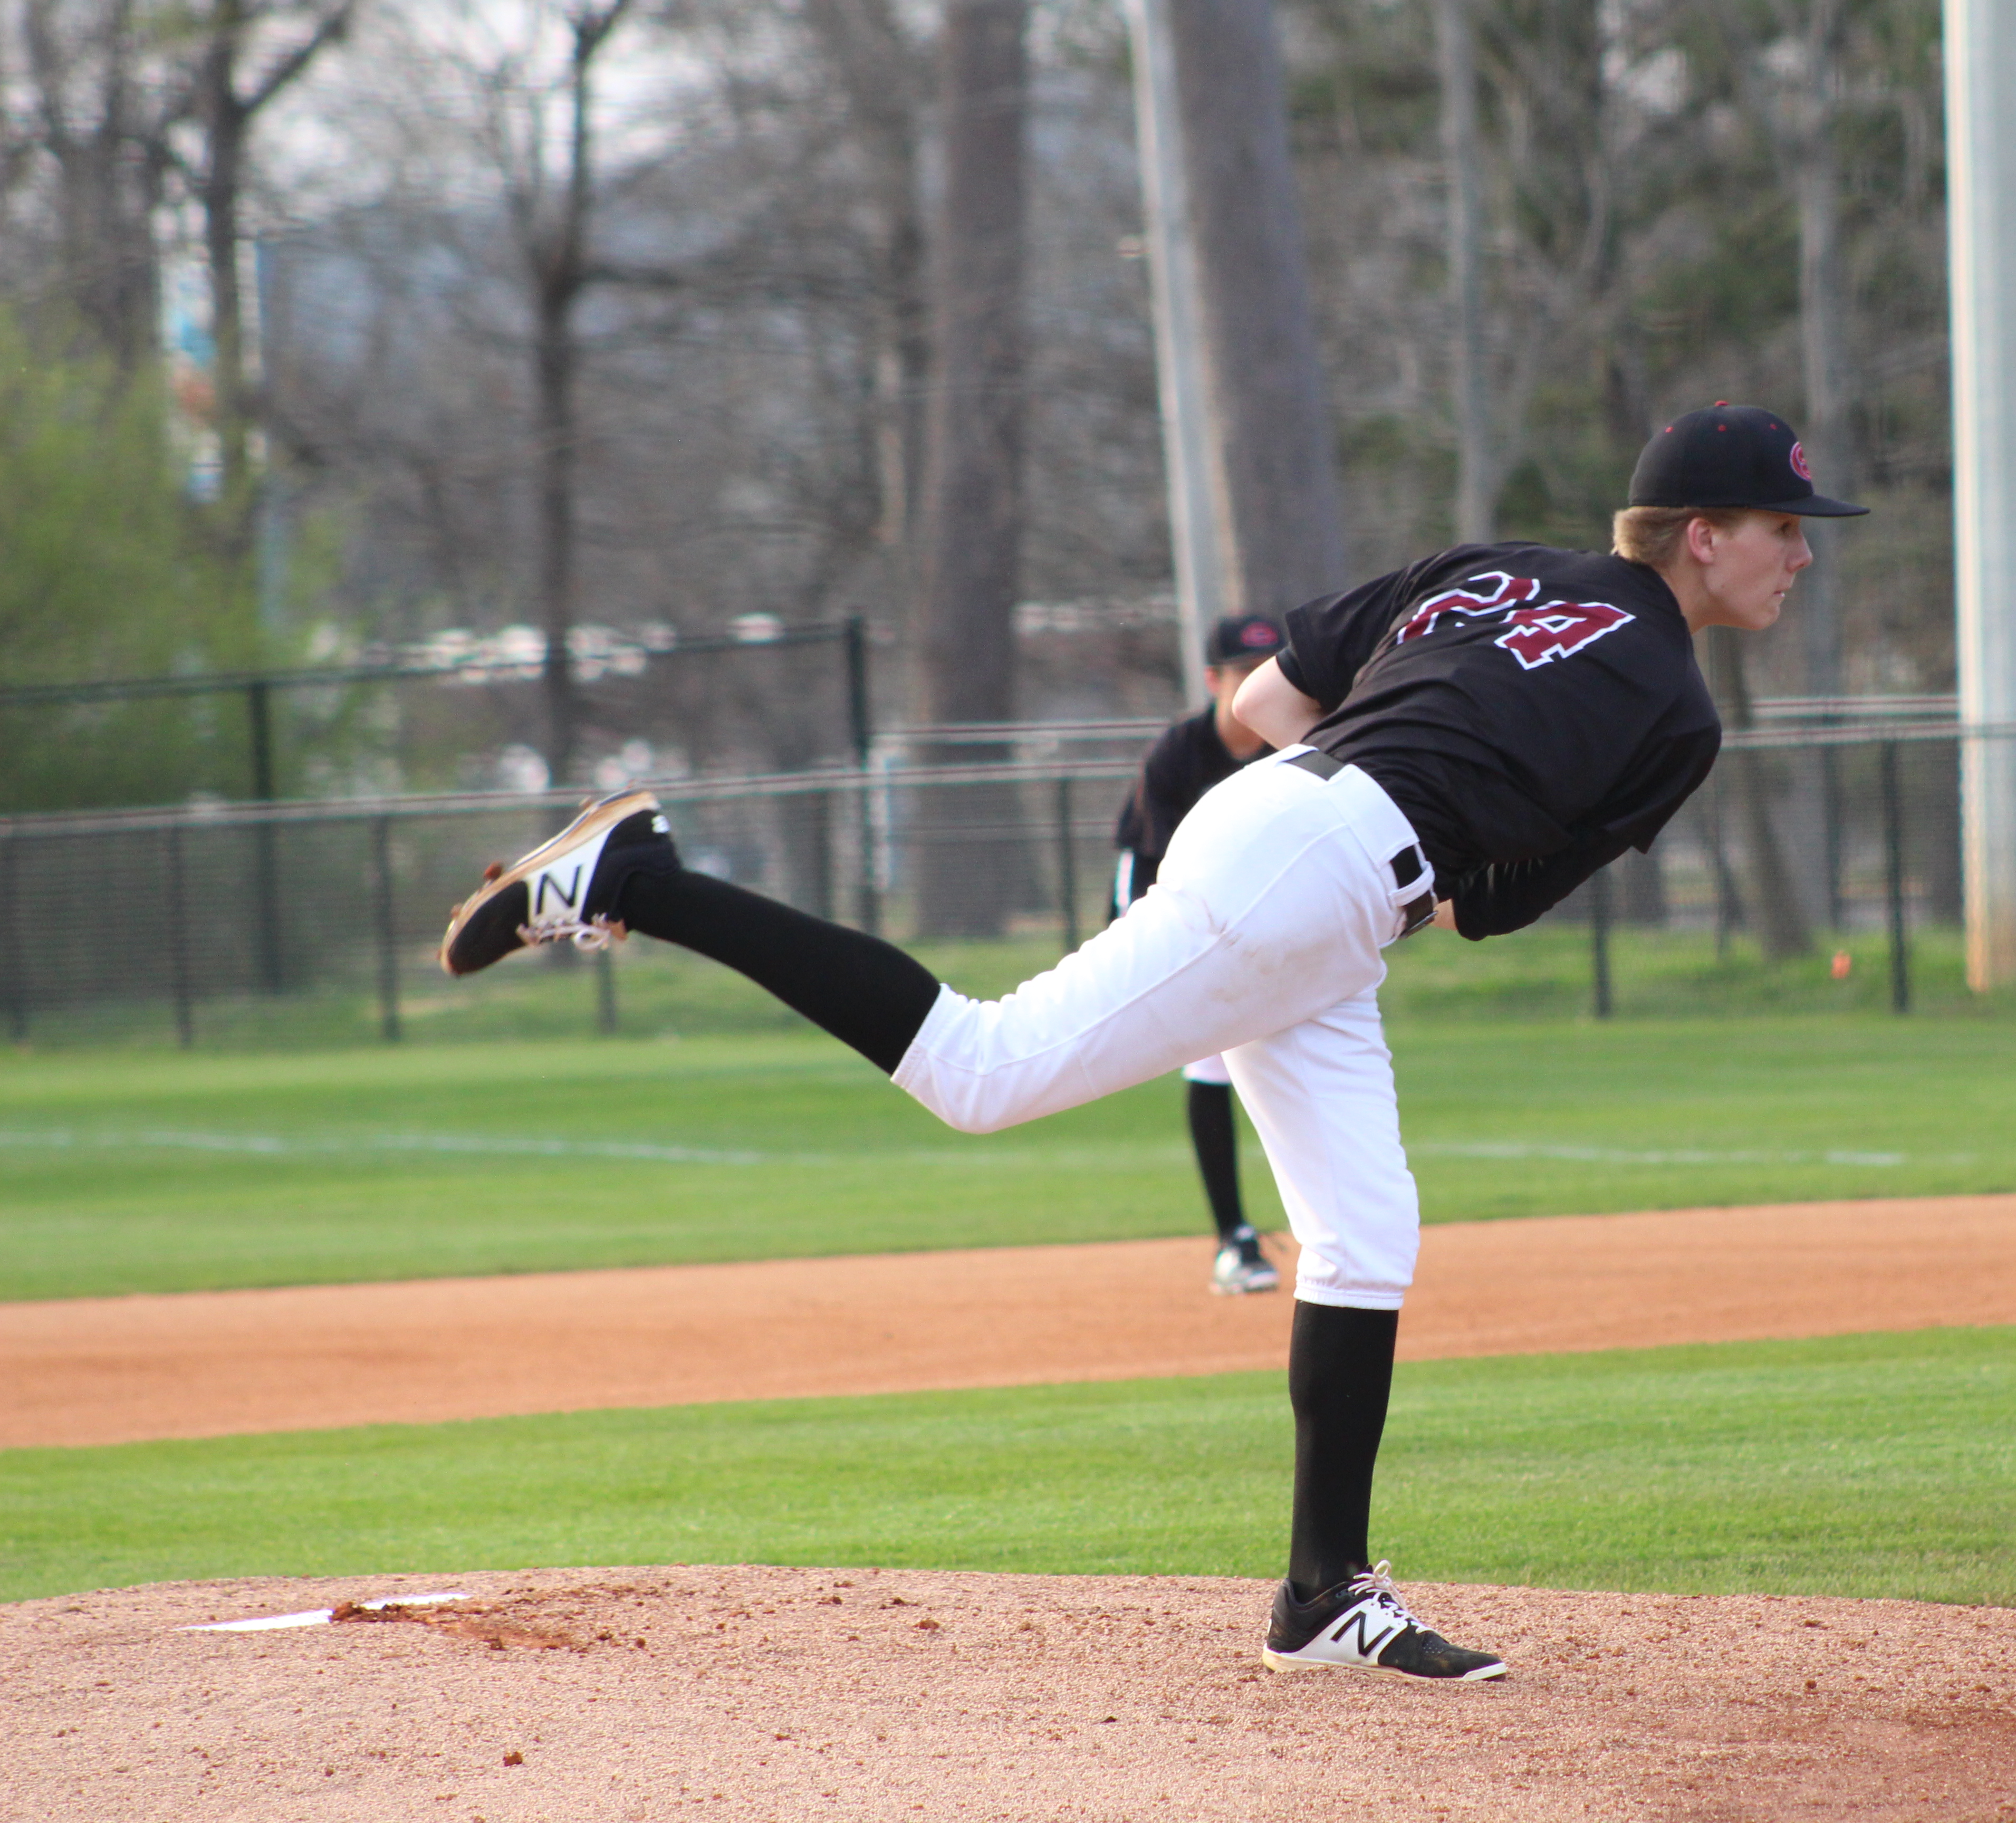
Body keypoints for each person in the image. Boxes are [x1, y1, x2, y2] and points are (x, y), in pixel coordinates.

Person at [438, 403, 1863, 1682]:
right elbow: (1495, 910)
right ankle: (639, 878)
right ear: (1698, 535)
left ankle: (1323, 1597)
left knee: (1365, 1235)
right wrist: (1354, 868)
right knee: (981, 1071)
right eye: (1782, 527)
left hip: (1291, 829)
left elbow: (1257, 709)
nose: (1798, 556)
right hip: (1333, 881)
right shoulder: (1675, 707)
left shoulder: (1497, 569)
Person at [1111, 614, 1288, 1296]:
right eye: (1244, 673)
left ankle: (1325, 1228)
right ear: (1213, 680)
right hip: (1175, 915)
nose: (1257, 686)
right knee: (1211, 1060)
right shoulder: (1180, 754)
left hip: (1272, 921)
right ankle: (1234, 1239)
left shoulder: (1296, 742)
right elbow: (1144, 872)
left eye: (1271, 671)